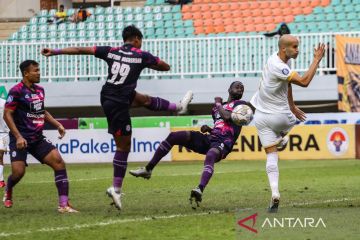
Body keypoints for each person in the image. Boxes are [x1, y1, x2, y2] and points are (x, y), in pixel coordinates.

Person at [41, 25, 193, 210]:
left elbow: (82, 50)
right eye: (140, 41)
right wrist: (151, 62)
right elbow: (165, 66)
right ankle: (116, 188)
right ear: (136, 39)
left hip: (109, 95)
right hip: (118, 101)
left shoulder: (111, 51)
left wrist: (55, 51)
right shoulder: (142, 54)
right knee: (123, 146)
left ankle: (178, 106)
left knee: (143, 99)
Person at [130, 81, 248, 208]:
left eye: (242, 88)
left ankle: (199, 189)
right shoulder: (215, 110)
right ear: (229, 89)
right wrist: (209, 129)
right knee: (174, 136)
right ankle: (148, 169)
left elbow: (227, 117)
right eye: (237, 86)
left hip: (224, 143)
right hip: (211, 138)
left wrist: (218, 103)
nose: (240, 88)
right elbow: (222, 126)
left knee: (211, 155)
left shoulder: (240, 105)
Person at [250, 35, 325, 212]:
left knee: (270, 154)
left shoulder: (276, 59)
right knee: (297, 120)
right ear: (284, 49)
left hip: (260, 115)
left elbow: (288, 85)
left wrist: (292, 105)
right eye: (294, 46)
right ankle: (282, 138)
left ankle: (275, 193)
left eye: (297, 46)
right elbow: (304, 82)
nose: (297, 49)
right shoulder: (280, 66)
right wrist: (316, 60)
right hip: (280, 117)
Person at [2, 60, 77, 213]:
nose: (39, 73)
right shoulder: (16, 91)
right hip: (20, 139)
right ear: (26, 73)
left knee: (59, 163)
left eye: (39, 70)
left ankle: (63, 205)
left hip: (37, 137)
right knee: (18, 173)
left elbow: (42, 111)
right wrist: (18, 136)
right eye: (35, 70)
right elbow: (7, 114)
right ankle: (8, 189)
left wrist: (58, 124)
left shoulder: (40, 90)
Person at [0, 98, 9, 188]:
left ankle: (1, 181)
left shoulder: (4, 102)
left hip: (3, 133)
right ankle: (1, 179)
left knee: (0, 156)